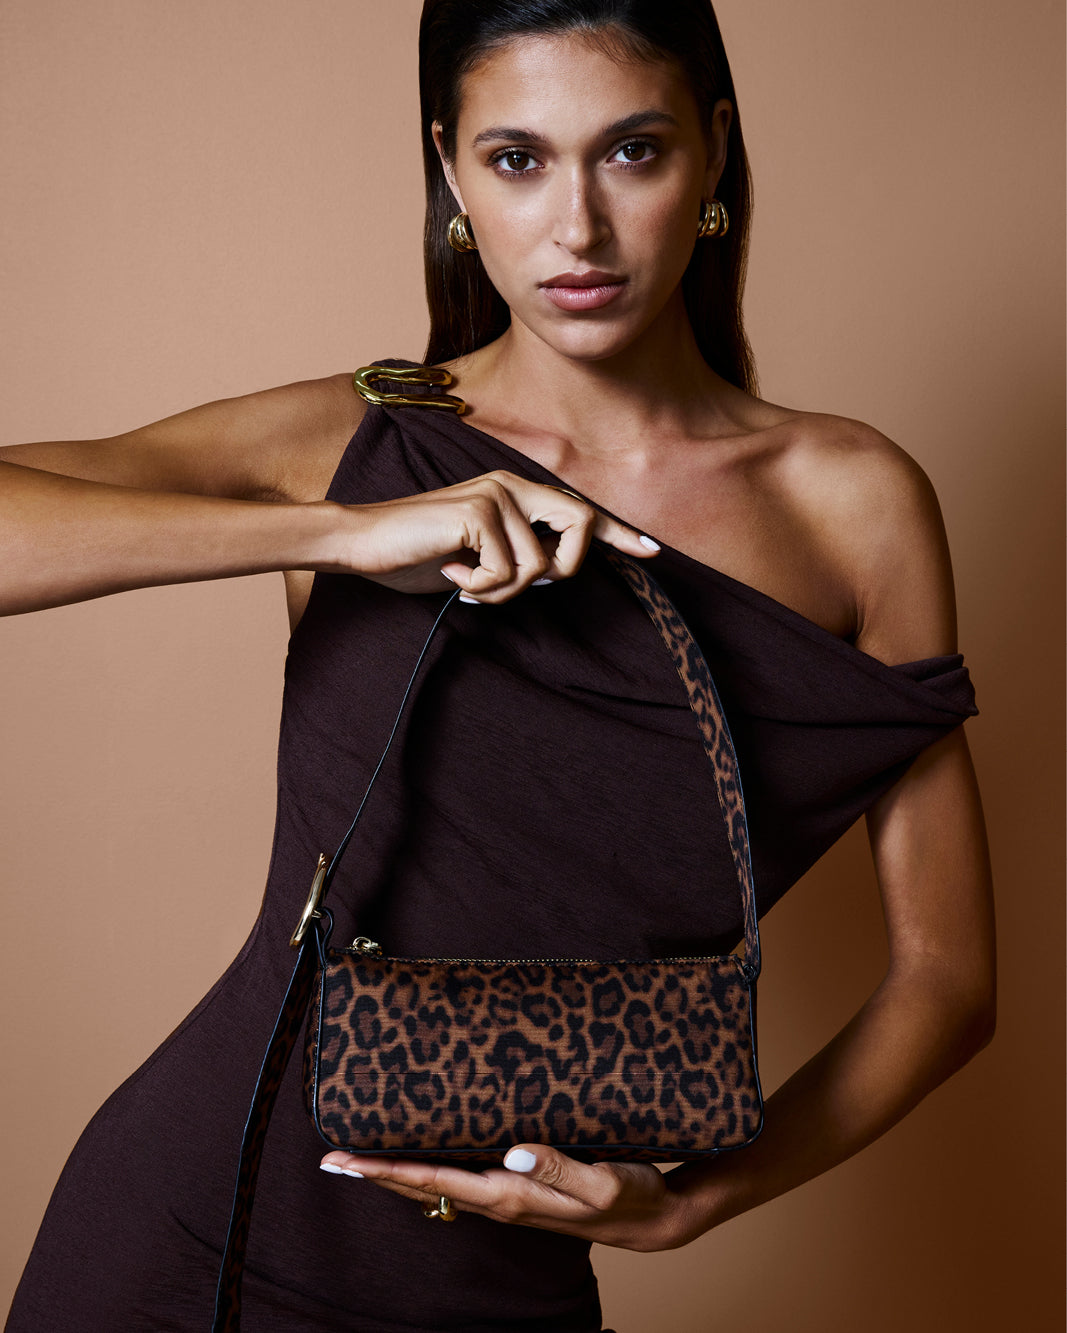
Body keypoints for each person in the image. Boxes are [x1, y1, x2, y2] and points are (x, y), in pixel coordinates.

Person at [3, 1, 995, 1329]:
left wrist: (700, 1201)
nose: (577, 227)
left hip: (507, 1292)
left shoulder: (851, 505)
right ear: (451, 171)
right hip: (196, 1233)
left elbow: (947, 978)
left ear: (711, 151)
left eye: (632, 152)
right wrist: (347, 534)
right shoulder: (359, 444)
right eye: (518, 159)